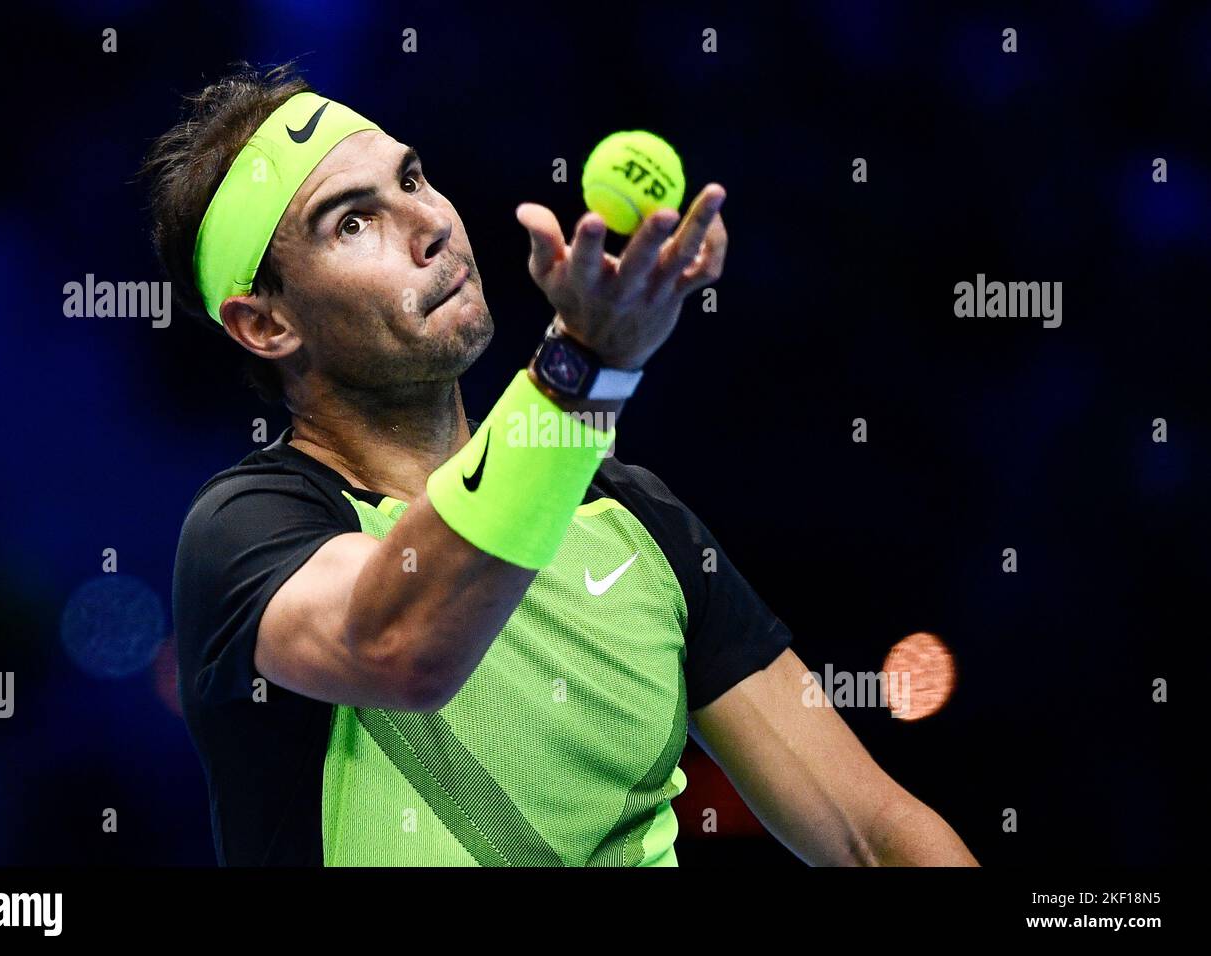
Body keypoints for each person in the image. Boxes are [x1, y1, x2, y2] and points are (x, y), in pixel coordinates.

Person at [143, 62, 978, 867]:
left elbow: (870, 834)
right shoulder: (246, 533)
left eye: (413, 178)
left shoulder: (632, 517)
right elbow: (403, 644)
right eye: (352, 223)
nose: (428, 224)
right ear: (264, 324)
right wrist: (582, 367)